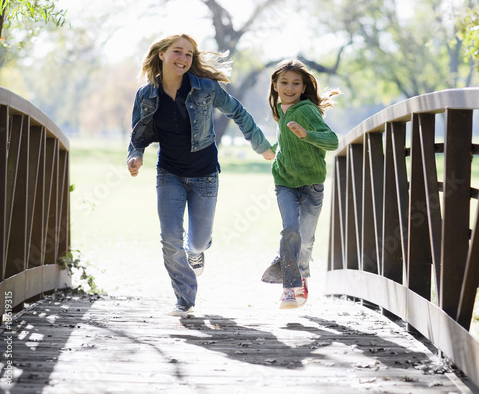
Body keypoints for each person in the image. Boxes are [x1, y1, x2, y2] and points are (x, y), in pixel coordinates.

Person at [127, 33, 275, 317]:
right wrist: (135, 155)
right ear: (162, 54)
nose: (183, 59)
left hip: (205, 175)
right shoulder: (146, 94)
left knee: (197, 241)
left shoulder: (206, 88)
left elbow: (239, 113)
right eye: (177, 52)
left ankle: (196, 252)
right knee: (170, 238)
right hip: (168, 173)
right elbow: (138, 133)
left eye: (189, 55)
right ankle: (185, 300)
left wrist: (261, 146)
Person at [261, 59, 340, 309]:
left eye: (296, 83)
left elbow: (332, 140)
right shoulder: (281, 111)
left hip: (311, 185)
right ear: (275, 85)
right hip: (284, 182)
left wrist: (307, 135)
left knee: (305, 240)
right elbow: (286, 138)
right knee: (290, 230)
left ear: (305, 87)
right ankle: (289, 288)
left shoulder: (306, 110)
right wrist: (273, 149)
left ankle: (301, 274)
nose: (290, 87)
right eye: (284, 82)